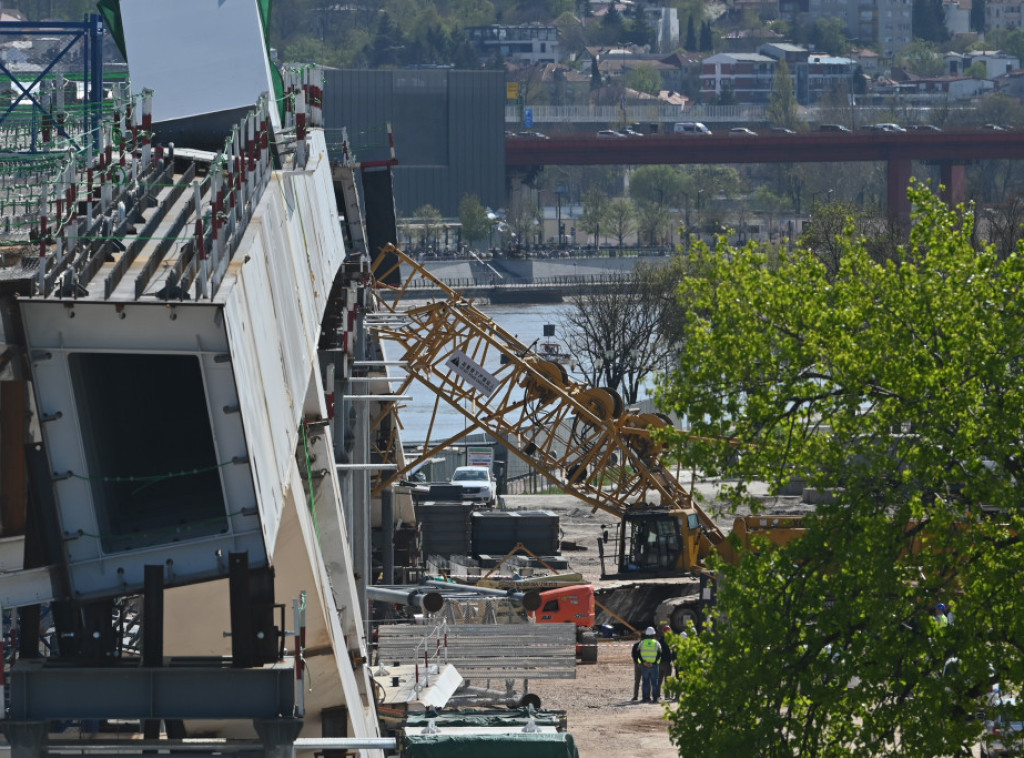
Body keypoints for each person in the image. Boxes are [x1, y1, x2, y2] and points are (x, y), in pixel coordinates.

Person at [635, 626, 663, 703]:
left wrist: (642, 662)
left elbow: (637, 653)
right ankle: (655, 698)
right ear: (653, 634)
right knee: (654, 682)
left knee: (645, 682)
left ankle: (645, 698)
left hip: (645, 666)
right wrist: (653, 663)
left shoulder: (642, 643)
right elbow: (660, 654)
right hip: (654, 666)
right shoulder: (656, 643)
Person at [657, 624, 674, 701]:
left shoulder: (659, 641)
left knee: (659, 680)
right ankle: (667, 695)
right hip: (667, 663)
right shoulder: (669, 641)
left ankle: (657, 695)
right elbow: (670, 653)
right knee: (667, 680)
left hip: (659, 663)